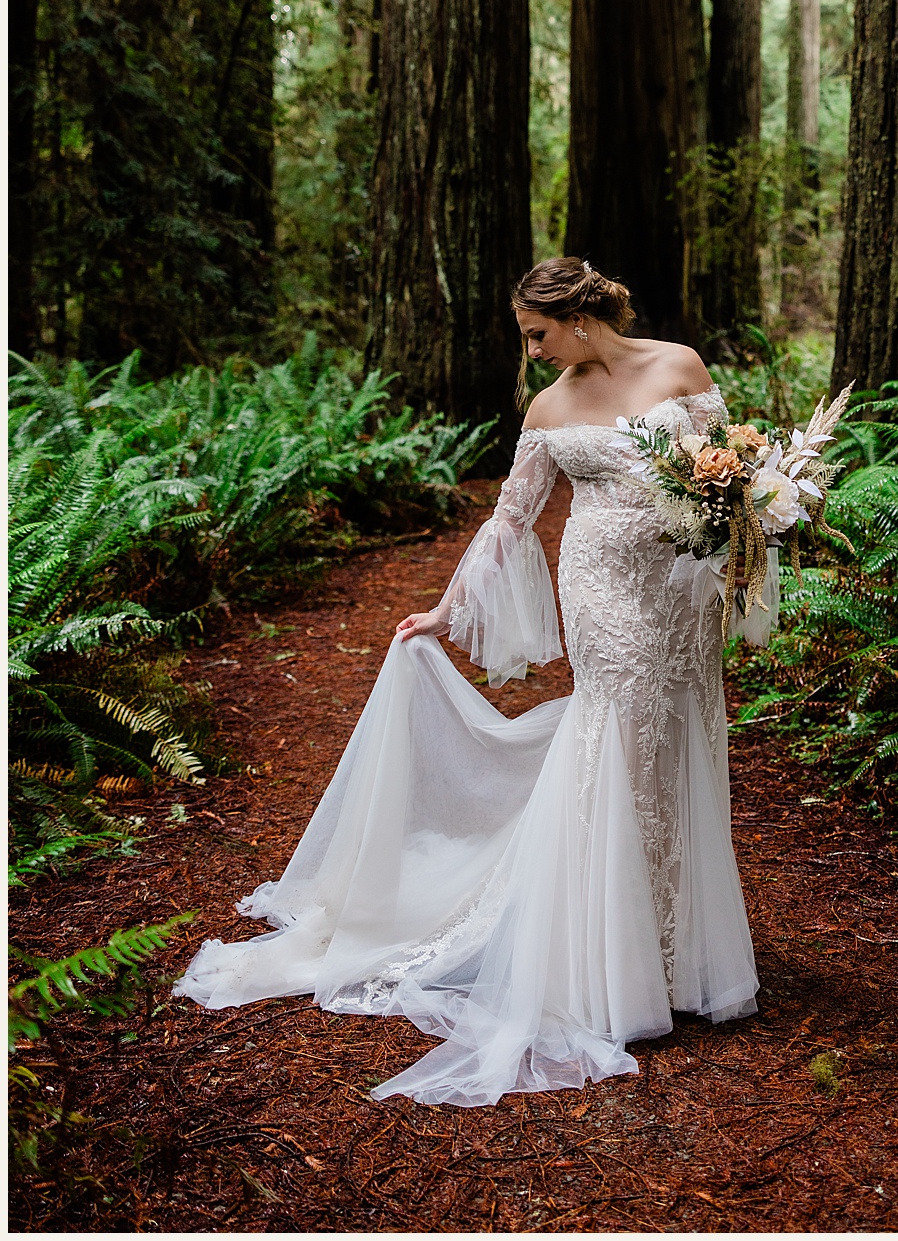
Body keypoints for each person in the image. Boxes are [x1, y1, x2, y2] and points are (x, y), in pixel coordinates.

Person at [174, 258, 759, 1105]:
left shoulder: (681, 366)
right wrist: (447, 612)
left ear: (581, 315)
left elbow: (731, 484)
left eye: (537, 332)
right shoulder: (549, 406)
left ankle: (680, 948)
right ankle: (608, 960)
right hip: (603, 593)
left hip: (681, 596)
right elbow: (511, 519)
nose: (532, 350)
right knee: (621, 742)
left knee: (683, 738)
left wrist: (750, 529)